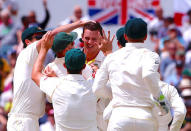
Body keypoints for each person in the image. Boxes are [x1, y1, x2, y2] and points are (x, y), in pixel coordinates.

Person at [7, 20, 87, 131]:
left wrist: (54, 78)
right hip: (22, 120)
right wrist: (80, 24)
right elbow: (53, 34)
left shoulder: (42, 67)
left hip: (31, 120)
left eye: (42, 36)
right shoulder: (25, 53)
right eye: (38, 37)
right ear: (28, 42)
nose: (43, 39)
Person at [92, 18, 170, 131]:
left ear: (125, 36)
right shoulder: (151, 56)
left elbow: (97, 89)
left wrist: (114, 94)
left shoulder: (111, 58)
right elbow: (148, 76)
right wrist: (163, 103)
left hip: (119, 118)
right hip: (145, 118)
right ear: (145, 37)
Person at [32, 37, 98, 131]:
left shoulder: (56, 85)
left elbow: (35, 75)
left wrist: (44, 49)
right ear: (84, 66)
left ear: (64, 65)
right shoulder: (93, 85)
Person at [81, 21, 114, 131]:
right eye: (87, 38)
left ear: (100, 39)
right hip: (79, 119)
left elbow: (116, 87)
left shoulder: (108, 60)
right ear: (82, 37)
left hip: (101, 121)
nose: (90, 42)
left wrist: (100, 75)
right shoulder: (73, 59)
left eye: (94, 39)